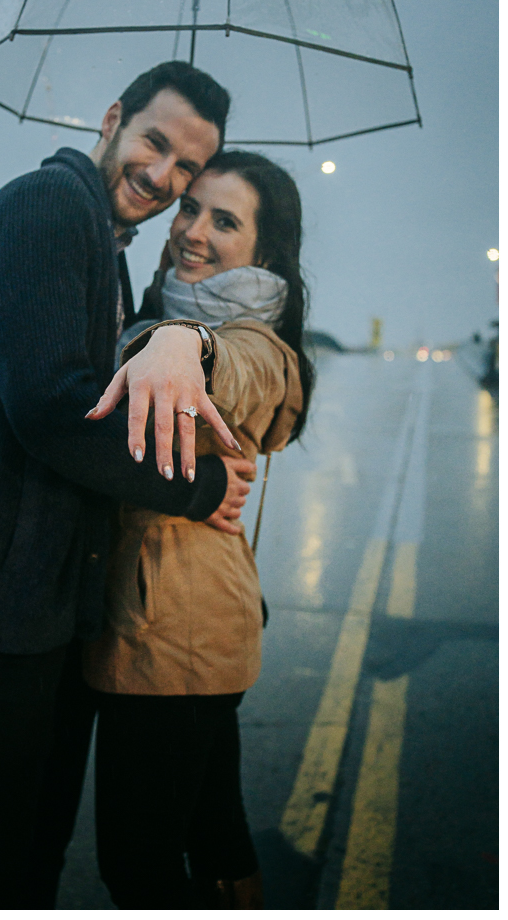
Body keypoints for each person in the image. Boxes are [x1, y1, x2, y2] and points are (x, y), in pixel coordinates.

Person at [0, 61, 257, 909]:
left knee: (30, 854)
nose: (162, 177)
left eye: (184, 168)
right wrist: (201, 491)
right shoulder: (48, 208)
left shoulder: (103, 240)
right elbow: (56, 410)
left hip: (40, 615)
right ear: (111, 120)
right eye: (154, 142)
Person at [84, 150, 315, 909]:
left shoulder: (258, 344)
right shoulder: (159, 307)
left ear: (265, 252)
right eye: (191, 209)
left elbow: (229, 365)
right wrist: (165, 328)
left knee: (138, 867)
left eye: (225, 221)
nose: (193, 231)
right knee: (217, 836)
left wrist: (183, 341)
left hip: (170, 639)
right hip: (196, 634)